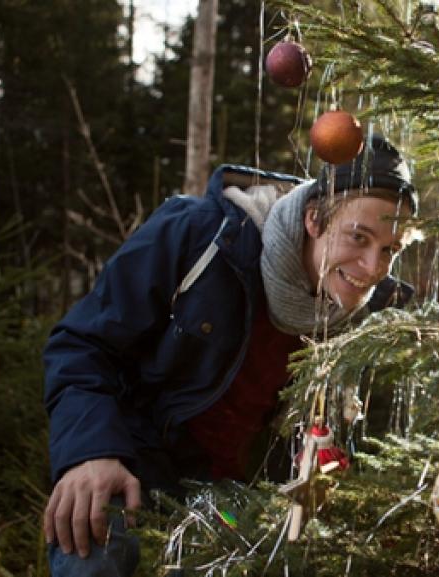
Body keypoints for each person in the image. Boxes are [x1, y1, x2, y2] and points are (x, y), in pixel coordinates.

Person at [42, 135, 418, 576]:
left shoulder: (368, 316)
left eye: (390, 250)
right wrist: (91, 453)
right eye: (358, 237)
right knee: (97, 554)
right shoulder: (202, 235)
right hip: (130, 459)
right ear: (315, 219)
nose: (373, 268)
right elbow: (82, 344)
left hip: (236, 500)